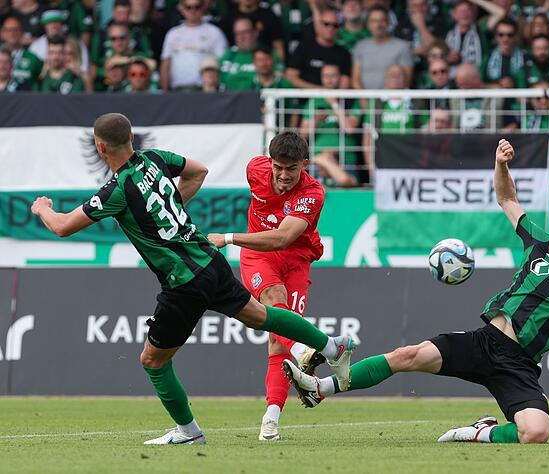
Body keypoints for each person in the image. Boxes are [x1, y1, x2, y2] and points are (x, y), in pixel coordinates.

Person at [283, 139, 549, 444]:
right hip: (484, 342)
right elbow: (507, 199)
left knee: (536, 434)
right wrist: (500, 164)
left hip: (519, 365)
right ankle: (320, 389)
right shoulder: (538, 243)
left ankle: (478, 433)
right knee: (407, 355)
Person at [29, 113, 357, 445]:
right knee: (264, 317)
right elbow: (198, 170)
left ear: (100, 147)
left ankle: (188, 431)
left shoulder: (117, 190)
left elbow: (62, 226)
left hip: (183, 282)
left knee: (153, 361)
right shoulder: (156, 159)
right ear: (132, 137)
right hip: (210, 261)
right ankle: (332, 346)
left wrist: (42, 208)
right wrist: (171, 207)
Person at [206, 132, 326, 442]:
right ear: (269, 163)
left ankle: (271, 417)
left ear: (304, 165)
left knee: (276, 342)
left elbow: (284, 238)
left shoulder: (312, 193)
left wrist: (229, 238)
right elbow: (269, 243)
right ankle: (302, 349)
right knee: (275, 300)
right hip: (259, 256)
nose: (284, 176)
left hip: (297, 258)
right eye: (278, 168)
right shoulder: (254, 169)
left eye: (292, 169)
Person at [159, 0, 227, 91]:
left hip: (206, 90)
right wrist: (164, 91)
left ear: (203, 8)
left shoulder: (215, 32)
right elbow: (166, 64)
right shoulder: (172, 34)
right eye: (188, 7)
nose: (193, 10)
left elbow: (223, 62)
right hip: (177, 90)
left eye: (197, 7)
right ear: (182, 9)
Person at [352, 6, 413, 89]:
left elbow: (406, 81)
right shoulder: (360, 46)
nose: (378, 25)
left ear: (388, 23)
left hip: (392, 100)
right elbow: (356, 80)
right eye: (374, 21)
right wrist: (364, 101)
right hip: (365, 99)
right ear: (368, 24)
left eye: (382, 20)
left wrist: (391, 101)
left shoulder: (402, 47)